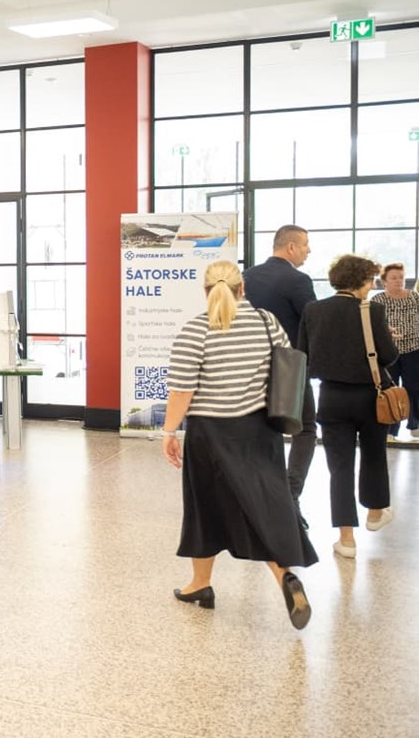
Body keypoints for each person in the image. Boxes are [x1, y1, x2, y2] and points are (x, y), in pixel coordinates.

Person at [160, 260, 316, 630]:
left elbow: (182, 390)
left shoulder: (196, 330)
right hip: (261, 431)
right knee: (263, 504)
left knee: (205, 508)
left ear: (205, 291)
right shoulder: (266, 322)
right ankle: (282, 576)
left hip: (210, 435)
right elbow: (285, 367)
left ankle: (201, 583)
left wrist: (168, 432)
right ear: (242, 288)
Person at [298, 255, 399, 559]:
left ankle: (346, 540)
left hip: (331, 397)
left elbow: (302, 354)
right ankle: (375, 514)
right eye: (370, 279)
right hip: (371, 397)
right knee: (374, 455)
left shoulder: (313, 310)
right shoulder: (372, 310)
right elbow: (389, 356)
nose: (372, 285)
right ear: (362, 280)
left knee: (339, 467)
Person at [242, 225, 316, 523]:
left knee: (259, 430)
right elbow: (312, 323)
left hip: (250, 367)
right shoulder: (298, 280)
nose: (308, 251)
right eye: (305, 245)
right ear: (291, 247)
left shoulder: (247, 276)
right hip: (290, 369)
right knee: (305, 429)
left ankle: (257, 497)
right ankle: (290, 495)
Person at [371, 262, 419, 439]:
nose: (399, 281)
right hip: (388, 351)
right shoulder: (377, 300)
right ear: (384, 281)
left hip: (414, 349)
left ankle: (415, 424)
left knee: (414, 387)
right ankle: (391, 429)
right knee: (390, 389)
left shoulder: (414, 297)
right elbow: (373, 325)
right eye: (394, 278)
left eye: (401, 277)